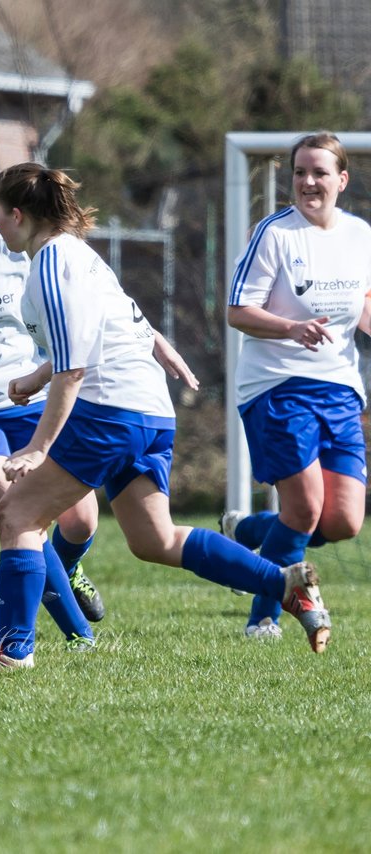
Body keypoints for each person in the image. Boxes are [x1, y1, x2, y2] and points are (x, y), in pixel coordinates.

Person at [0, 161, 331, 670]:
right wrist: (37, 378)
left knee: (17, 514)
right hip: (149, 410)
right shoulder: (80, 256)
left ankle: (13, 653)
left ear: (15, 215)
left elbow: (75, 369)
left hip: (109, 410)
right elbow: (110, 328)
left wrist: (38, 447)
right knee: (154, 539)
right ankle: (286, 584)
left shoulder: (51, 263)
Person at [0, 153, 200, 650]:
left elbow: (90, 301)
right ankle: (79, 635)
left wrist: (152, 338)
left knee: (81, 519)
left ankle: (66, 573)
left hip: (32, 399)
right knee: (18, 509)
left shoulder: (15, 245)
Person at [221, 132, 371, 640]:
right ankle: (262, 618)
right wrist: (290, 327)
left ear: (341, 180)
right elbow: (237, 311)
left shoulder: (359, 235)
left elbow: (363, 305)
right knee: (304, 508)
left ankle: (245, 534)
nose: (308, 182)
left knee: (342, 522)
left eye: (320, 172)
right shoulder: (275, 234)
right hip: (277, 384)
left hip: (340, 388)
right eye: (300, 172)